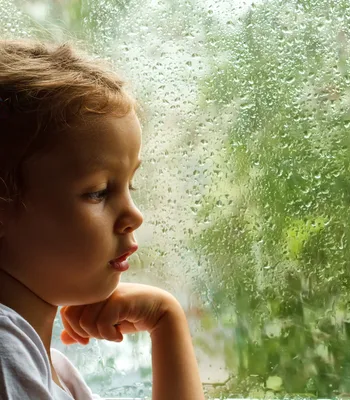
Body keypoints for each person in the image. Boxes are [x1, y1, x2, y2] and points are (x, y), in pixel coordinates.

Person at [0, 39, 204, 399]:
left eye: (130, 185)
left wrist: (166, 321)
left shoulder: (54, 369)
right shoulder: (6, 352)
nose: (133, 216)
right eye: (98, 192)